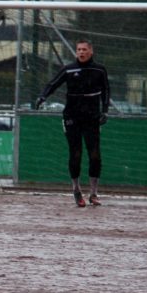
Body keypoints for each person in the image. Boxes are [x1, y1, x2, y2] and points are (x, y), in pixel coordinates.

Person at [36, 39, 109, 207]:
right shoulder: (69, 69)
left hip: (91, 117)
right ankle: (76, 190)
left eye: (84, 49)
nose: (81, 52)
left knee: (95, 155)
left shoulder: (99, 70)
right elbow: (53, 84)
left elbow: (106, 90)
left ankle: (94, 193)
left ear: (91, 51)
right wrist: (42, 96)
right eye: (78, 49)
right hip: (72, 117)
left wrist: (104, 110)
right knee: (76, 154)